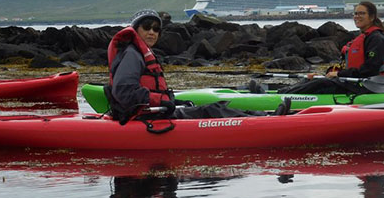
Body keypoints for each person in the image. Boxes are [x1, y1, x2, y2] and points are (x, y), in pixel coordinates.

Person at [108, 9, 290, 125]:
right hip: (146, 118)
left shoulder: (137, 53)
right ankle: (267, 122)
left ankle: (263, 117)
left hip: (155, 113)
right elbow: (124, 91)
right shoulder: (132, 55)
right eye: (146, 27)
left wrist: (170, 100)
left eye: (156, 29)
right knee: (211, 110)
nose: (151, 32)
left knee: (214, 107)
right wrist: (160, 101)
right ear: (135, 30)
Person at [264, 1, 384, 95]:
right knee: (315, 79)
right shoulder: (365, 37)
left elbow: (370, 69)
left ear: (371, 17)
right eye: (355, 13)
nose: (357, 16)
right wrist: (330, 73)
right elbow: (354, 69)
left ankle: (281, 96)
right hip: (358, 82)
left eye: (361, 13)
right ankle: (281, 92)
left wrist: (339, 75)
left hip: (372, 85)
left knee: (321, 84)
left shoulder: (376, 39)